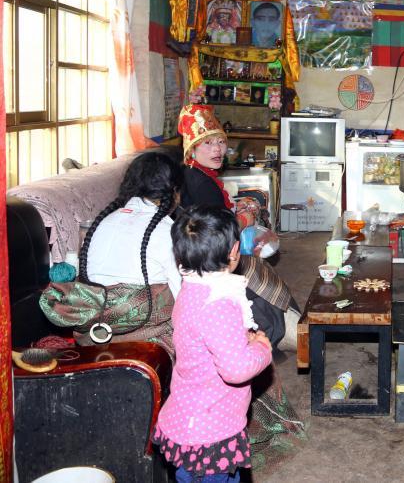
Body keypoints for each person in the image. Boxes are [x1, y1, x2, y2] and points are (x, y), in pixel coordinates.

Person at [153, 205, 272, 483]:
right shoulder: (219, 304)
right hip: (208, 431)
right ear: (233, 251)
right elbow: (236, 369)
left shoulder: (193, 288)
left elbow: (210, 339)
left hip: (191, 419)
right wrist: (261, 348)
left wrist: (243, 339)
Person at [177, 103, 297, 351]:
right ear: (192, 148)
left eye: (220, 142)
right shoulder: (201, 183)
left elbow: (216, 214)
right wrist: (246, 217)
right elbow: (218, 230)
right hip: (212, 258)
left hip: (212, 249)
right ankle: (275, 333)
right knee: (262, 275)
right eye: (208, 144)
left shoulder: (198, 174)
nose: (218, 149)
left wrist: (239, 207)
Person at [41, 151, 182, 355]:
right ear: (174, 192)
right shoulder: (166, 230)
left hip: (93, 341)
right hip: (148, 345)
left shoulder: (103, 222)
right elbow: (183, 300)